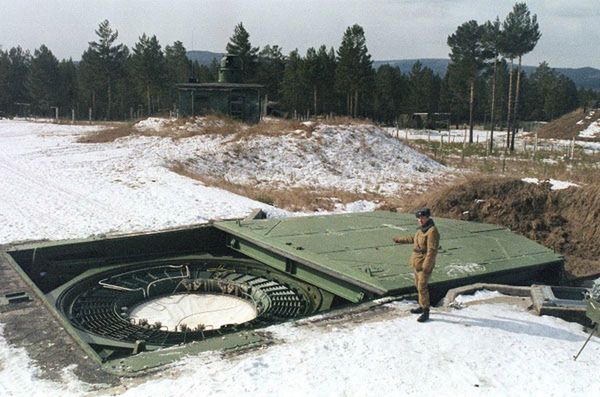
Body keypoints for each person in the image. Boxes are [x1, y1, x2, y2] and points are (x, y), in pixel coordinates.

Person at [393, 208, 440, 322]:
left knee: (422, 287)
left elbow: (432, 250)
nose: (420, 220)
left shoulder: (432, 231)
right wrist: (399, 239)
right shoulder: (421, 230)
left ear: (428, 217)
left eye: (422, 218)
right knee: (417, 284)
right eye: (419, 218)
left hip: (424, 263)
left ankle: (426, 311)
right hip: (417, 261)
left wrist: (426, 266)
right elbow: (413, 239)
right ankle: (421, 305)